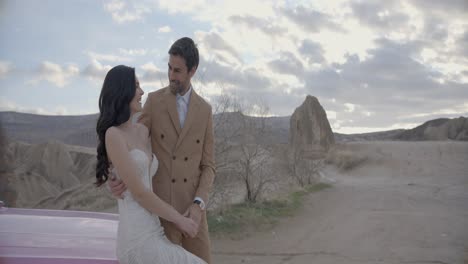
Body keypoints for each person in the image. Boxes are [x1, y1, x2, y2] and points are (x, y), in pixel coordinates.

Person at [108, 37, 215, 263]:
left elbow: (208, 166)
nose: (171, 75)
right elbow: (131, 142)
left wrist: (199, 204)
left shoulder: (205, 110)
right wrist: (113, 173)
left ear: (192, 71)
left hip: (193, 216)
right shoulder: (155, 101)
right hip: (162, 216)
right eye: (169, 68)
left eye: (177, 70)